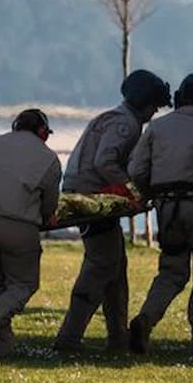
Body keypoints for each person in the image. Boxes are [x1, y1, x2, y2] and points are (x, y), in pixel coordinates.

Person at [52, 70, 172, 353]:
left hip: (83, 194)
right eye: (154, 104)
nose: (155, 111)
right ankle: (69, 337)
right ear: (143, 101)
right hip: (94, 202)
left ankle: (118, 337)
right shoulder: (126, 124)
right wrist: (133, 192)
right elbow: (105, 162)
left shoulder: (111, 117)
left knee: (116, 268)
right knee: (101, 265)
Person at [127, 73, 193, 357]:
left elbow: (136, 171)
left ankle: (146, 319)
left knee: (171, 271)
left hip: (166, 207)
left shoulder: (157, 128)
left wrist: (152, 194)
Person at [0, 109, 61, 357]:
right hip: (17, 224)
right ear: (42, 132)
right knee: (23, 283)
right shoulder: (49, 159)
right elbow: (49, 206)